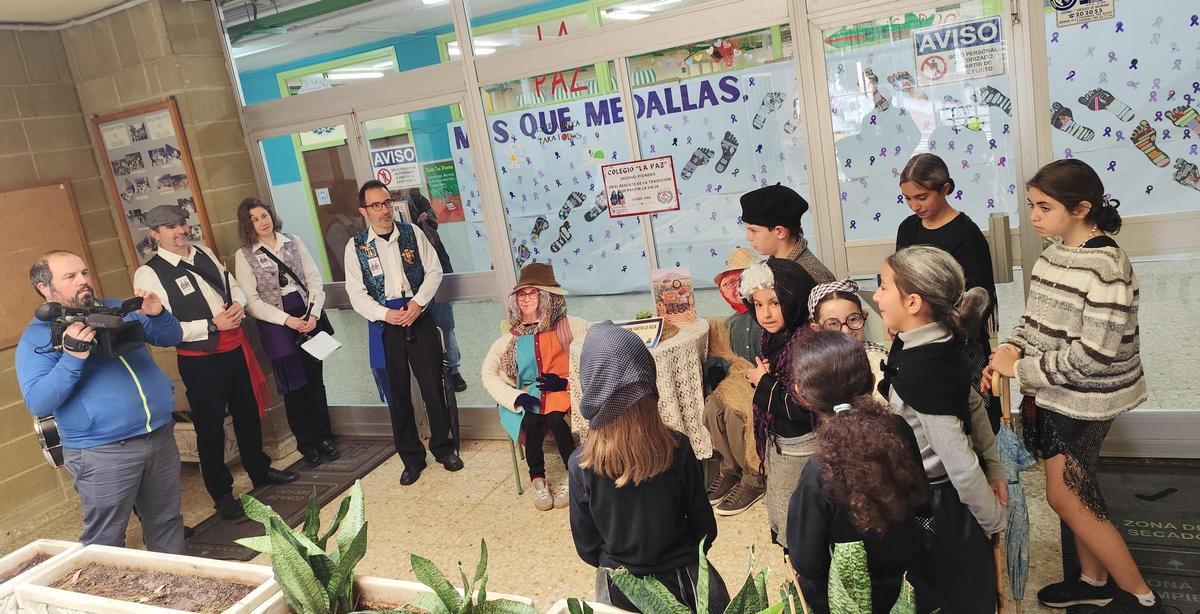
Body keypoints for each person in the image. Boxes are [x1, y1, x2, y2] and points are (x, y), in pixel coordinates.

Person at [983, 160, 1157, 613]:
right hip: (1056, 393)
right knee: (1080, 493)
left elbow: (1095, 354)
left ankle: (1141, 597)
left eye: (1044, 207)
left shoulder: (1107, 266)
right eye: (1031, 206)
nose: (1033, 217)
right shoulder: (1052, 253)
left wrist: (1021, 371)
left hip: (1088, 399)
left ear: (1081, 208)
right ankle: (1093, 581)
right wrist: (1008, 351)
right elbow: (1034, 323)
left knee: (1065, 495)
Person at [133, 205, 298, 520]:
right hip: (201, 361)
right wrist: (212, 325)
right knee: (210, 429)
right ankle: (221, 493)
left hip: (235, 348)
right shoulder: (149, 274)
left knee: (248, 414)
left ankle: (259, 469)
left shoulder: (204, 253)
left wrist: (238, 304)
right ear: (154, 234)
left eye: (182, 223)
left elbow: (232, 286)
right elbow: (162, 330)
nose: (180, 231)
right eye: (170, 227)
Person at [17, 251, 185, 552]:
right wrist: (72, 358)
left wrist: (158, 313)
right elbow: (39, 402)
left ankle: (176, 581)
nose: (83, 280)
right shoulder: (36, 338)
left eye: (84, 272)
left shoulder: (116, 309)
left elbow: (171, 336)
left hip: (159, 436)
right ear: (45, 288)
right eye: (70, 277)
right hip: (102, 451)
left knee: (167, 521)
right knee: (105, 542)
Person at [873, 245, 1005, 613]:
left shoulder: (923, 373)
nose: (876, 297)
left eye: (883, 287)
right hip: (941, 497)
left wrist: (993, 520)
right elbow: (973, 403)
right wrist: (994, 468)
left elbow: (960, 464)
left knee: (950, 594)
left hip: (939, 505)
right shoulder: (940, 341)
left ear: (913, 303)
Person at [568, 323, 729, 612]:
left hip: (620, 588)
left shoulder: (581, 465)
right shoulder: (678, 447)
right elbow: (705, 526)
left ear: (590, 390)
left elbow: (587, 547)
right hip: (686, 580)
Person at [787, 331, 929, 614]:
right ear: (872, 381)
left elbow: (806, 561)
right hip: (909, 588)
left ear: (802, 395)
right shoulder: (900, 430)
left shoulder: (818, 472)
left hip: (846, 601)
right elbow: (922, 502)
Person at [344, 180, 462, 486]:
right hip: (385, 325)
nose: (383, 210)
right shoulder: (356, 246)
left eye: (386, 203)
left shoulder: (412, 233)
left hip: (417, 315)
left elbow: (434, 271)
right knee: (397, 393)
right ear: (364, 211)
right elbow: (356, 294)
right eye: (375, 205)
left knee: (432, 387)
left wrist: (418, 303)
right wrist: (385, 314)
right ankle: (411, 457)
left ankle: (444, 447)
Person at [896, 153, 1000, 431]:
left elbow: (980, 296)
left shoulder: (966, 234)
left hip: (958, 341)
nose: (914, 206)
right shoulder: (907, 228)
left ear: (945, 188)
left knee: (969, 419)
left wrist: (950, 326)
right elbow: (900, 280)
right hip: (918, 337)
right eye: (907, 198)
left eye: (922, 197)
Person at [233, 197, 338, 468]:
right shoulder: (244, 255)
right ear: (247, 225)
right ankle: (307, 444)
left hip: (307, 314)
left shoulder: (293, 241)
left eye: (264, 215)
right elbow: (251, 302)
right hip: (276, 324)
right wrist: (286, 320)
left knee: (315, 380)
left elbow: (314, 280)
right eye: (254, 219)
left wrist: (313, 314)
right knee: (293, 387)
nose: (262, 222)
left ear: (271, 215)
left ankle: (325, 437)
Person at [481, 263, 587, 511]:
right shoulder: (512, 337)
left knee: (557, 422)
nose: (526, 298)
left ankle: (574, 477)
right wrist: (516, 397)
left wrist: (566, 383)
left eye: (533, 293)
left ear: (547, 297)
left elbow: (595, 354)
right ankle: (537, 480)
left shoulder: (572, 326)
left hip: (562, 391)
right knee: (530, 424)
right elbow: (487, 373)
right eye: (522, 294)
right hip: (530, 394)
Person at [738, 257, 820, 550]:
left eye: (774, 302)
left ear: (793, 298)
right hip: (782, 441)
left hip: (800, 445)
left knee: (794, 511)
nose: (766, 313)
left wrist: (763, 382)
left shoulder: (806, 343)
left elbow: (806, 407)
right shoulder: (776, 337)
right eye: (758, 304)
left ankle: (797, 557)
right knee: (783, 500)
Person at [702, 246, 766, 516]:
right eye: (729, 284)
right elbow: (722, 359)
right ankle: (730, 468)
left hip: (761, 381)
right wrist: (716, 371)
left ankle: (753, 476)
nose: (735, 289)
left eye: (740, 281)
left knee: (735, 415)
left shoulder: (765, 316)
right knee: (712, 408)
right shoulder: (729, 324)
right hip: (735, 381)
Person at [400, 189, 466, 393]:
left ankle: (453, 371)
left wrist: (424, 219)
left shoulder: (418, 200)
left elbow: (432, 221)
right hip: (411, 291)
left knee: (446, 327)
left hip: (437, 282)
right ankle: (435, 373)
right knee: (424, 334)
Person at [806, 279, 888, 399]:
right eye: (833, 324)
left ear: (864, 316)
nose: (846, 331)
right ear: (817, 329)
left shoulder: (877, 361)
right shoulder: (814, 363)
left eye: (853, 319)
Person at [740, 183, 835, 285]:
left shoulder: (813, 275)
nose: (748, 237)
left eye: (753, 230)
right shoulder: (768, 267)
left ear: (780, 232)